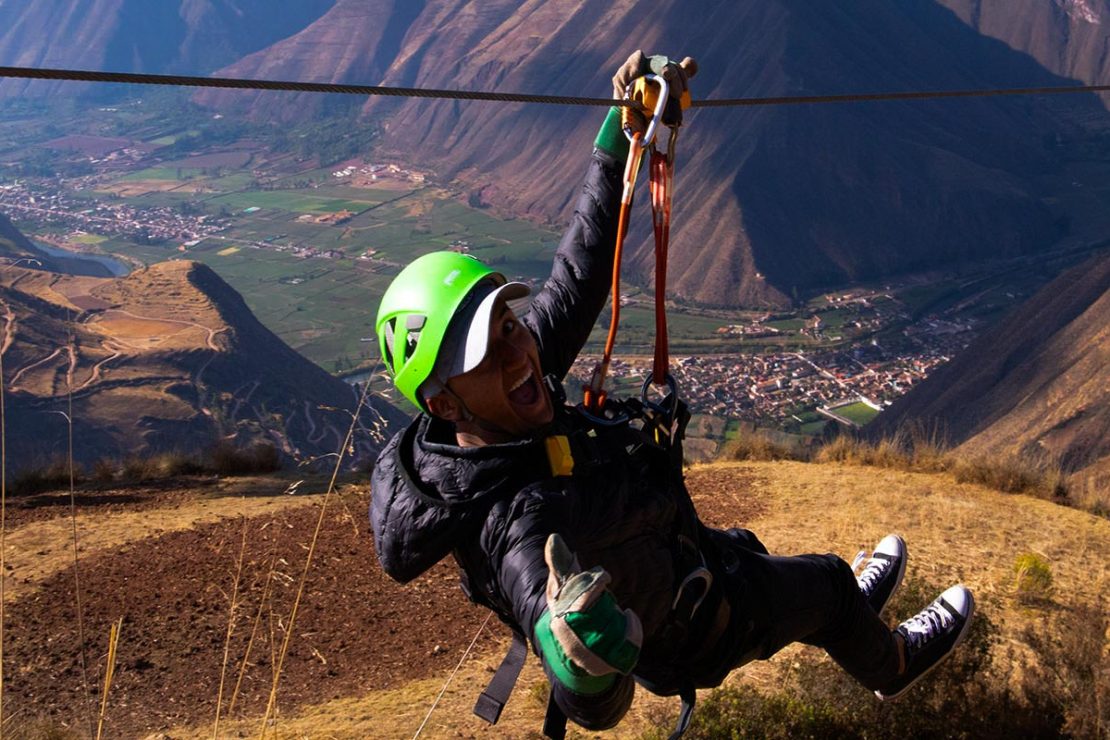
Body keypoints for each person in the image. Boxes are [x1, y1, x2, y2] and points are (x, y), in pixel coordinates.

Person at [370, 51, 974, 737]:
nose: (518, 350)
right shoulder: (510, 520)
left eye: (508, 324)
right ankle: (891, 661)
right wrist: (582, 664)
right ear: (445, 404)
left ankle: (841, 614)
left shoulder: (500, 404)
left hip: (682, 552)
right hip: (698, 624)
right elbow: (558, 635)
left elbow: (579, 271)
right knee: (829, 584)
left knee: (762, 554)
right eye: (489, 350)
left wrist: (620, 132)